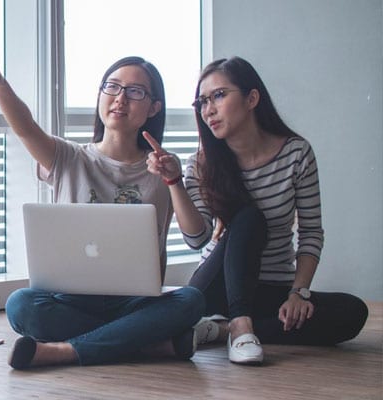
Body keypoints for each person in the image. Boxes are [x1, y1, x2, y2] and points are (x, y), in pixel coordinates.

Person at [0, 43, 205, 369]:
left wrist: (174, 181)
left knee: (191, 300)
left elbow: (197, 237)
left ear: (154, 108)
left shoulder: (164, 166)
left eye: (135, 91)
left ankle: (64, 351)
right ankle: (145, 344)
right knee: (21, 305)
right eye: (112, 86)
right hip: (70, 298)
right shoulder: (68, 158)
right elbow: (25, 127)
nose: (120, 98)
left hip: (135, 302)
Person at [156, 56, 368, 364]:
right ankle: (241, 325)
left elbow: (310, 232)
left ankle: (220, 329)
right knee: (249, 218)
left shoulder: (296, 154)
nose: (208, 109)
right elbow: (197, 239)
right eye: (202, 101)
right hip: (215, 286)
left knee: (352, 313)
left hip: (271, 288)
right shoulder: (200, 162)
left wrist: (299, 293)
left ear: (252, 98)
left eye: (219, 95)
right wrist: (173, 181)